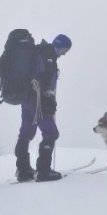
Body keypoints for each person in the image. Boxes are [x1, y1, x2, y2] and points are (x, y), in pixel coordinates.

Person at [15, 34, 72, 182]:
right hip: (38, 101)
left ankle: (23, 170)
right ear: (60, 46)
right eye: (65, 50)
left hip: (26, 100)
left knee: (26, 133)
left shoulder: (38, 53)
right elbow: (45, 83)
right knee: (51, 133)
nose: (65, 53)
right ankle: (44, 171)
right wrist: (49, 101)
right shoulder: (49, 57)